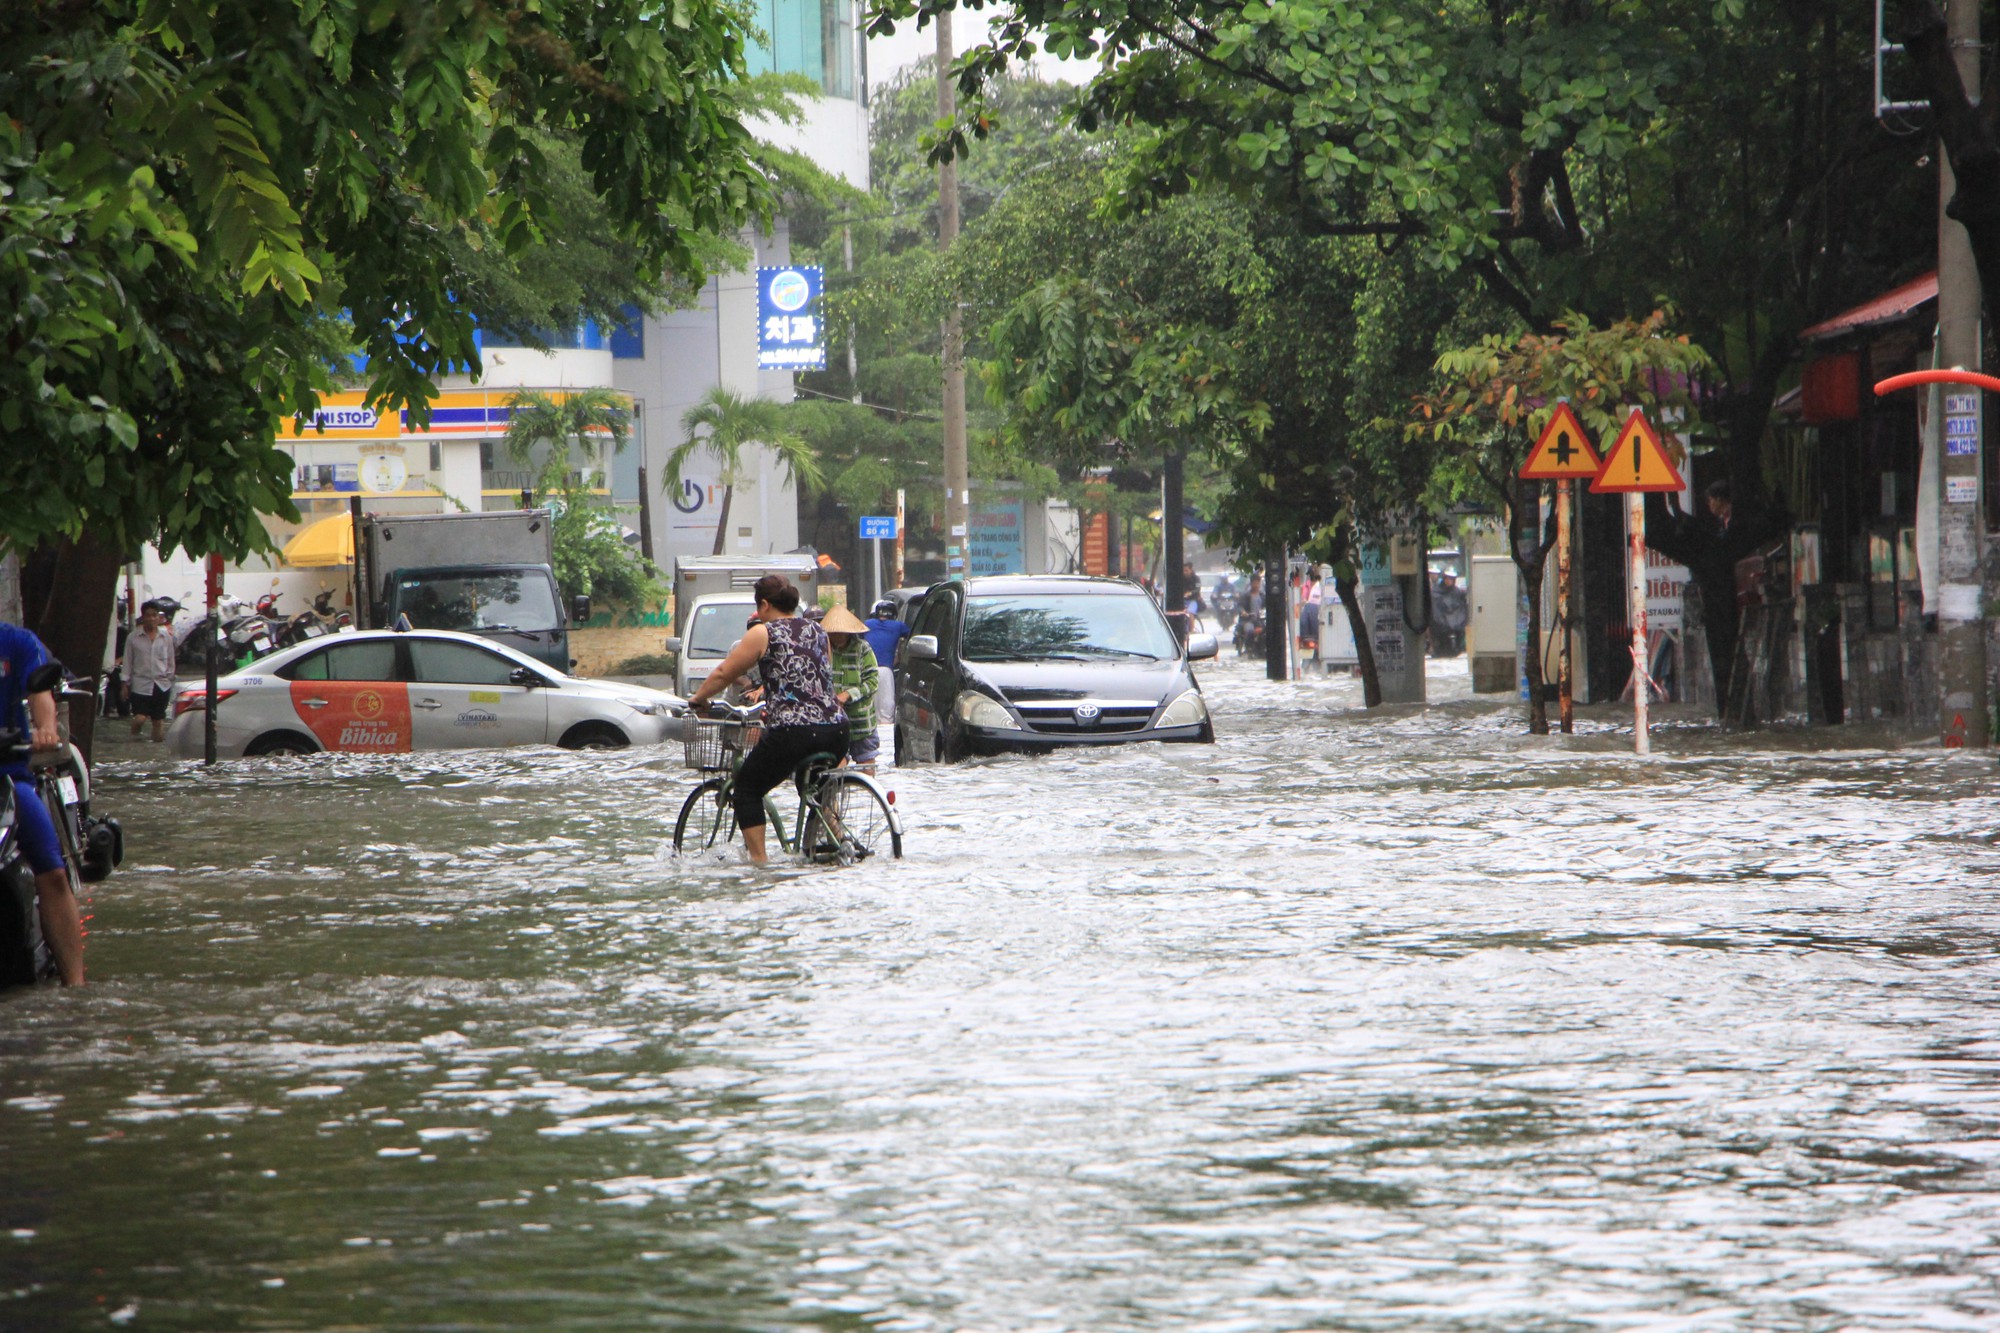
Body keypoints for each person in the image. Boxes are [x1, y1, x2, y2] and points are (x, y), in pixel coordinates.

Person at [685, 575, 848, 865]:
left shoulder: (763, 632)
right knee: (812, 789)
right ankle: (840, 843)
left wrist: (698, 699)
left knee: (747, 788)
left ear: (764, 604)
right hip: (837, 728)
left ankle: (760, 866)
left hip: (794, 732)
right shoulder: (818, 631)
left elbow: (725, 673)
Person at [0, 623, 85, 985]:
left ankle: (76, 984)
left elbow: (40, 692)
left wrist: (44, 728)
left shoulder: (16, 642)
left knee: (51, 873)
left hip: (7, 778)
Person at [822, 607, 880, 772]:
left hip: (862, 722)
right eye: (833, 633)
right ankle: (832, 797)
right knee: (834, 769)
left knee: (867, 767)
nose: (837, 636)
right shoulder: (822, 651)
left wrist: (848, 694)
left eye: (841, 632)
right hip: (834, 722)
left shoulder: (863, 649)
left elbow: (872, 681)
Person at [126, 599, 177, 742]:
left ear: (158, 617)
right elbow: (128, 661)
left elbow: (170, 658)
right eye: (148, 615)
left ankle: (156, 750)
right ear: (143, 617)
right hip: (140, 684)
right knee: (140, 718)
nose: (151, 619)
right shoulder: (133, 638)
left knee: (158, 721)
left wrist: (170, 677)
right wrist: (125, 683)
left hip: (161, 683)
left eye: (154, 615)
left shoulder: (165, 636)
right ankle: (134, 738)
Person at [862, 599, 910, 727]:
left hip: (867, 670)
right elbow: (910, 635)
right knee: (886, 707)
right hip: (885, 670)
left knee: (871, 704)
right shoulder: (898, 626)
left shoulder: (868, 624)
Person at [1433, 572, 1469, 657]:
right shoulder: (1437, 591)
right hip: (1441, 619)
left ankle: (1457, 648)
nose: (1448, 581)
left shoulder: (1457, 591)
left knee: (1460, 630)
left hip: (1455, 619)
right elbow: (1435, 605)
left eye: (1451, 579)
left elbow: (1460, 605)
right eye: (1447, 579)